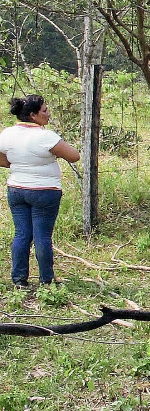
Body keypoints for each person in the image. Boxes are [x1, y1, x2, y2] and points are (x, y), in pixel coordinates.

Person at [0, 94, 81, 286]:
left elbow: (2, 160)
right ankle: (47, 279)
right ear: (33, 115)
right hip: (44, 191)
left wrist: (19, 162)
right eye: (45, 110)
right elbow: (74, 156)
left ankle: (19, 279)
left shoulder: (7, 134)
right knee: (42, 236)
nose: (48, 113)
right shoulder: (46, 136)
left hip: (17, 189)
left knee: (22, 234)